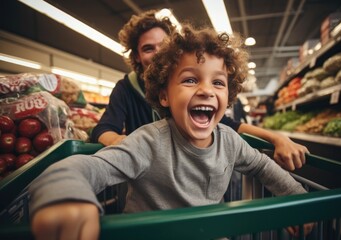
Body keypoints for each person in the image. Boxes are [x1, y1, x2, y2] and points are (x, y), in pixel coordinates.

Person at [30, 24, 313, 240]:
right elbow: (91, 166)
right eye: (190, 79)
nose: (205, 90)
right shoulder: (149, 141)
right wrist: (66, 193)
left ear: (230, 94)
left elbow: (263, 166)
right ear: (164, 95)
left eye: (218, 83)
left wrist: (298, 199)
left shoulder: (230, 141)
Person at [90, 9, 309, 172]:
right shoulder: (126, 88)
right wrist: (127, 146)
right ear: (137, 56)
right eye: (148, 48)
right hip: (149, 174)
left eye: (162, 45)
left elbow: (231, 126)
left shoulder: (194, 93)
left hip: (193, 171)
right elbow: (105, 128)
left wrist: (276, 138)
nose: (157, 53)